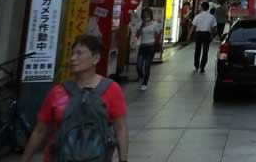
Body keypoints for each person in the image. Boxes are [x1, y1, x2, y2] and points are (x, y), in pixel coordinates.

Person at [21, 34, 128, 162]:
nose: (73, 58)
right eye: (72, 54)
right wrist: (25, 159)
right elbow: (40, 130)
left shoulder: (111, 89)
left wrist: (123, 159)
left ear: (95, 58)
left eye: (79, 54)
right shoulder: (58, 91)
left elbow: (120, 128)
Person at [131, 8, 162, 91]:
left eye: (147, 14)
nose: (145, 15)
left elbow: (158, 33)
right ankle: (141, 76)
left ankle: (145, 83)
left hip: (150, 46)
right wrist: (141, 27)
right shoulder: (141, 23)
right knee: (139, 64)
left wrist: (157, 43)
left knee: (147, 66)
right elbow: (137, 34)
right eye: (144, 13)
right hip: (142, 46)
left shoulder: (154, 24)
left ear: (150, 14)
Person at [190, 1, 215, 73]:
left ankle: (196, 65)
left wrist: (189, 35)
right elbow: (213, 28)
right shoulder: (212, 17)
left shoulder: (197, 16)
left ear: (202, 7)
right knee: (205, 51)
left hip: (198, 34)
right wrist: (212, 35)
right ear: (208, 8)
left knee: (197, 50)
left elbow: (193, 26)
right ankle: (202, 67)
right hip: (207, 34)